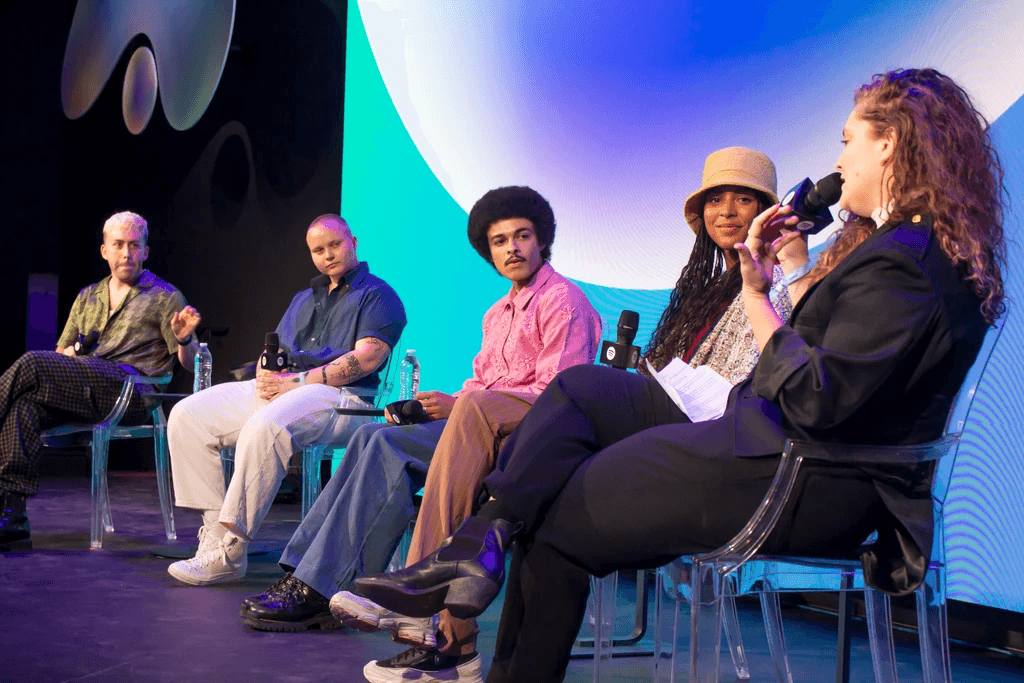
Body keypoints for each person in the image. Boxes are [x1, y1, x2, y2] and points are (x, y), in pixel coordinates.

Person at [356, 67, 1005, 683]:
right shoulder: (906, 252)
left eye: (848, 140)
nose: (840, 159)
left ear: (888, 143)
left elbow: (814, 397)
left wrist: (758, 296)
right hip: (783, 453)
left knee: (554, 513)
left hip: (799, 477)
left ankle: (483, 561)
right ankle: (481, 540)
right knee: (580, 393)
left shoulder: (900, 263)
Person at [346, 149, 795, 683]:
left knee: (556, 393)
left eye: (743, 199)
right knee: (533, 513)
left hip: (708, 443)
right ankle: (459, 625)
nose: (727, 211)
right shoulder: (700, 289)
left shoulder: (778, 284)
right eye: (715, 200)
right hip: (637, 431)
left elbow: (756, 382)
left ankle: (442, 585)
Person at [239, 188, 600, 657]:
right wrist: (440, 404)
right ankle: (303, 573)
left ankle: (319, 588)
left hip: (524, 440)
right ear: (488, 251)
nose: (511, 248)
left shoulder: (563, 301)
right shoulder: (498, 312)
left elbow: (558, 398)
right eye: (499, 241)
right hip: (477, 425)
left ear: (542, 240)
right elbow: (483, 383)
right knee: (370, 435)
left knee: (389, 447)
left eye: (522, 236)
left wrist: (464, 406)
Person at [165, 214, 406, 585]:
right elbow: (276, 352)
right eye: (318, 250)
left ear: (354, 242)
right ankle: (213, 537)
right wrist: (266, 373)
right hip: (289, 390)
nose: (328, 255)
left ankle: (230, 549)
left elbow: (368, 358)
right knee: (188, 415)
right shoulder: (303, 299)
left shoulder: (378, 295)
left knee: (266, 426)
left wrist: (298, 381)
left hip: (346, 399)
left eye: (335, 245)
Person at [0, 211, 200, 550]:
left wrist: (184, 339)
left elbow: (191, 364)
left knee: (32, 363)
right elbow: (61, 352)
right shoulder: (87, 297)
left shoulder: (165, 296)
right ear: (105, 250)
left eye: (134, 246)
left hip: (131, 391)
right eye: (118, 245)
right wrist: (67, 357)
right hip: (84, 387)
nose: (127, 254)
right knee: (24, 405)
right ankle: (12, 516)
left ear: (145, 251)